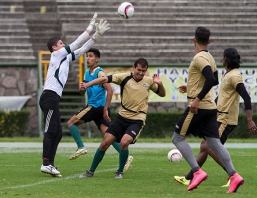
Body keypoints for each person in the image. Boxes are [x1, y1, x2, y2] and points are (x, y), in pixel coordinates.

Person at [171, 27, 245, 194]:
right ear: (209, 41)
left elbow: (211, 79)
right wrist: (190, 88)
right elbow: (215, 79)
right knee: (214, 143)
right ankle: (234, 176)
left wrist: (196, 99)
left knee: (177, 138)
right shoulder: (210, 57)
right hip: (211, 108)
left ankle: (197, 172)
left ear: (193, 40)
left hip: (199, 108)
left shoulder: (199, 57)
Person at [39, 13, 110, 177]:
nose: (63, 44)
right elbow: (77, 43)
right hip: (49, 97)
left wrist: (97, 35)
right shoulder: (56, 55)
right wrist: (89, 29)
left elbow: (83, 49)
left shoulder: (63, 58)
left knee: (57, 133)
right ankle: (45, 163)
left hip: (54, 98)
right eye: (60, 43)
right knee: (51, 131)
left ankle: (50, 164)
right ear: (55, 48)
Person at [78, 58, 166, 179]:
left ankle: (119, 172)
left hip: (137, 119)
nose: (140, 73)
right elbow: (104, 79)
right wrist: (88, 84)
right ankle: (90, 171)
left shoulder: (149, 81)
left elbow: (162, 94)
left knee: (124, 142)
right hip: (122, 117)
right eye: (139, 70)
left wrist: (160, 84)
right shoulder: (123, 77)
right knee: (105, 143)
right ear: (133, 67)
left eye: (143, 71)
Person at [66, 48, 134, 171]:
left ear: (97, 59)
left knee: (70, 123)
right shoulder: (87, 73)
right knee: (109, 136)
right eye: (87, 56)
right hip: (98, 108)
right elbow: (83, 93)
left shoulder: (100, 73)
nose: (88, 58)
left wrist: (106, 108)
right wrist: (82, 89)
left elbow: (110, 90)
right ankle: (126, 156)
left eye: (91, 56)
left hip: (95, 107)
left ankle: (81, 147)